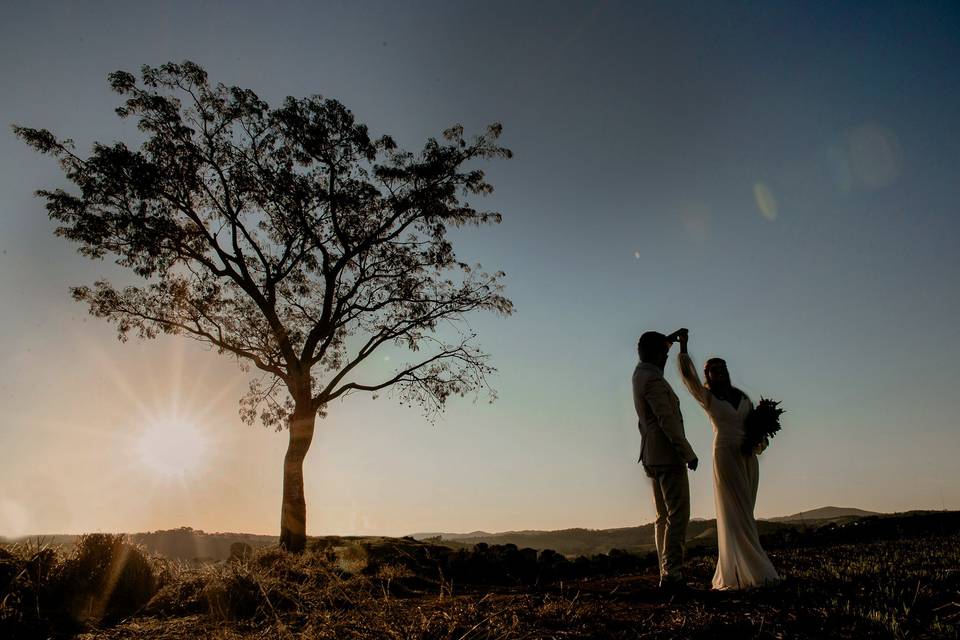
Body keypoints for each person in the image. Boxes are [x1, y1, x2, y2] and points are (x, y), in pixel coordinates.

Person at [675, 329, 779, 590]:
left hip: (747, 454)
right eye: (713, 370)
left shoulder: (743, 397)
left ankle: (741, 567)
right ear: (708, 375)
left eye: (722, 368)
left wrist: (758, 439)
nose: (719, 373)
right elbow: (688, 378)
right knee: (736, 510)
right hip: (725, 453)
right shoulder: (708, 397)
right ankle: (755, 570)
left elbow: (754, 424)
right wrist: (684, 347)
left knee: (747, 508)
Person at [632, 330, 699, 589]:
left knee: (662, 517)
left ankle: (666, 573)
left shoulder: (639, 373)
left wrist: (672, 339)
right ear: (655, 353)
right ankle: (673, 575)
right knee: (678, 515)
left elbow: (649, 346)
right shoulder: (654, 381)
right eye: (665, 353)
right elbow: (667, 421)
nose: (665, 359)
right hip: (667, 455)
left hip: (650, 454)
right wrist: (687, 452)